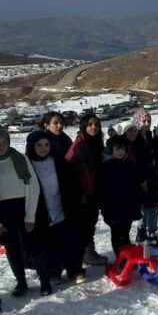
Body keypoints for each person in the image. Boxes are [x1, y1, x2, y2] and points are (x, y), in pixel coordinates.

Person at [26, 131, 86, 284]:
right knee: (48, 243)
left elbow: (73, 181)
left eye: (46, 144)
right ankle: (54, 271)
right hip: (41, 212)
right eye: (39, 145)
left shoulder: (59, 161)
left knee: (68, 240)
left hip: (61, 208)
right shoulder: (27, 165)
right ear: (32, 146)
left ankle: (74, 269)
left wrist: (76, 199)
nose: (43, 148)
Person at [0, 127, 51, 297]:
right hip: (3, 211)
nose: (1, 146)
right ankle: (21, 282)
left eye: (3, 142)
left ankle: (45, 281)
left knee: (33, 245)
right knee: (11, 248)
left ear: (8, 141)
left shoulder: (21, 159)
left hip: (23, 207)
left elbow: (33, 187)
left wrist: (30, 216)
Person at [65, 114, 108, 265]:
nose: (93, 127)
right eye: (90, 124)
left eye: (96, 124)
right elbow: (72, 173)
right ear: (83, 126)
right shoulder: (78, 146)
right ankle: (85, 254)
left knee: (91, 222)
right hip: (83, 193)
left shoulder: (96, 142)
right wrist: (80, 194)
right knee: (85, 224)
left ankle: (88, 252)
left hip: (95, 190)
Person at [99, 136, 142, 258]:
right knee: (117, 233)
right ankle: (120, 255)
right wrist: (106, 208)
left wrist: (136, 204)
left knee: (125, 232)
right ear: (110, 150)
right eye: (117, 149)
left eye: (123, 149)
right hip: (113, 208)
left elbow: (134, 186)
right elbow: (103, 190)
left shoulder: (128, 163)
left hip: (127, 206)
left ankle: (127, 254)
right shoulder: (105, 167)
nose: (120, 152)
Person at [130, 109, 158, 247]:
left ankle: (152, 231)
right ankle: (141, 231)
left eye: (149, 121)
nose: (147, 124)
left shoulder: (149, 135)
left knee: (153, 205)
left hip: (152, 176)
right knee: (143, 207)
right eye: (144, 121)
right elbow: (136, 161)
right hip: (141, 179)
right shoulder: (134, 138)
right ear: (137, 122)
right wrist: (142, 179)